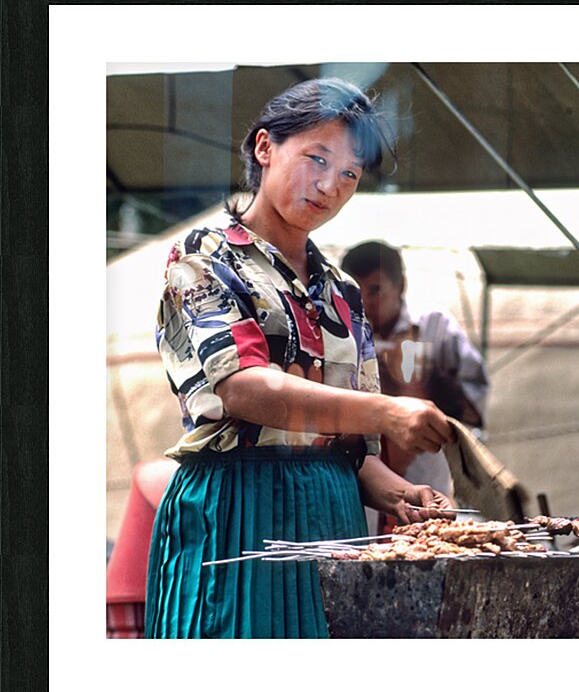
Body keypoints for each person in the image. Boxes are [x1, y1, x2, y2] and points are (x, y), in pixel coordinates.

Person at [146, 78, 453, 639]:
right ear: (265, 147)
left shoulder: (342, 291)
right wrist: (387, 412)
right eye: (317, 158)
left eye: (349, 175)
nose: (330, 185)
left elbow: (349, 451)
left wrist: (403, 494)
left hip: (334, 520)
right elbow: (242, 387)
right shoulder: (205, 258)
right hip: (239, 514)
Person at [340, 241, 489, 509]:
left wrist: (433, 385)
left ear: (401, 286)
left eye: (375, 291)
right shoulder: (340, 332)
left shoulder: (434, 327)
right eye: (354, 291)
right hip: (359, 487)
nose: (364, 302)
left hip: (427, 480)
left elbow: (474, 408)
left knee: (423, 540)